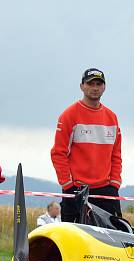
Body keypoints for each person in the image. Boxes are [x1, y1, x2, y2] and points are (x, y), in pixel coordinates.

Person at [51, 67, 123, 223]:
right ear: (82, 86)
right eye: (90, 84)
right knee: (73, 239)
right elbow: (58, 153)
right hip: (76, 189)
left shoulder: (112, 117)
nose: (95, 88)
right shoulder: (69, 115)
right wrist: (68, 185)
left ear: (104, 87)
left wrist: (115, 184)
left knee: (109, 240)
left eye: (99, 84)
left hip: (105, 191)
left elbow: (116, 155)